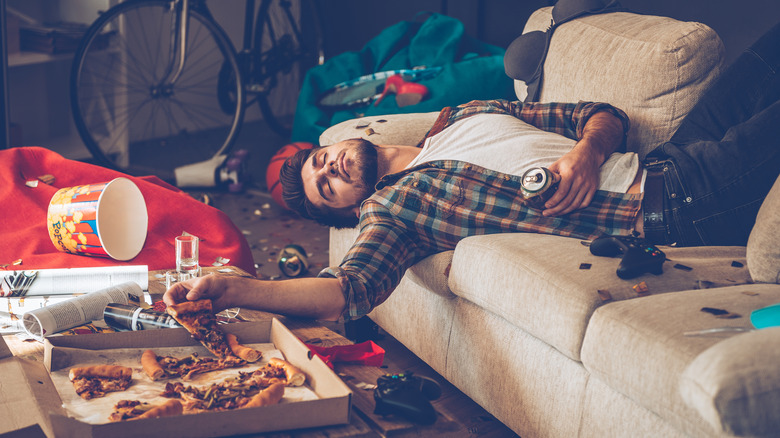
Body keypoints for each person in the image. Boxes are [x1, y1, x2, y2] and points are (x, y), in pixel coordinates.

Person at [164, 21, 780, 323]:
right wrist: (239, 290)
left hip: (668, 159)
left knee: (767, 51)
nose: (333, 166)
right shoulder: (395, 209)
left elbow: (599, 113)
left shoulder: (464, 113)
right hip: (673, 205)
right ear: (350, 209)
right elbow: (347, 292)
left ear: (349, 137)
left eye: (324, 160)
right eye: (327, 185)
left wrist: (585, 152)